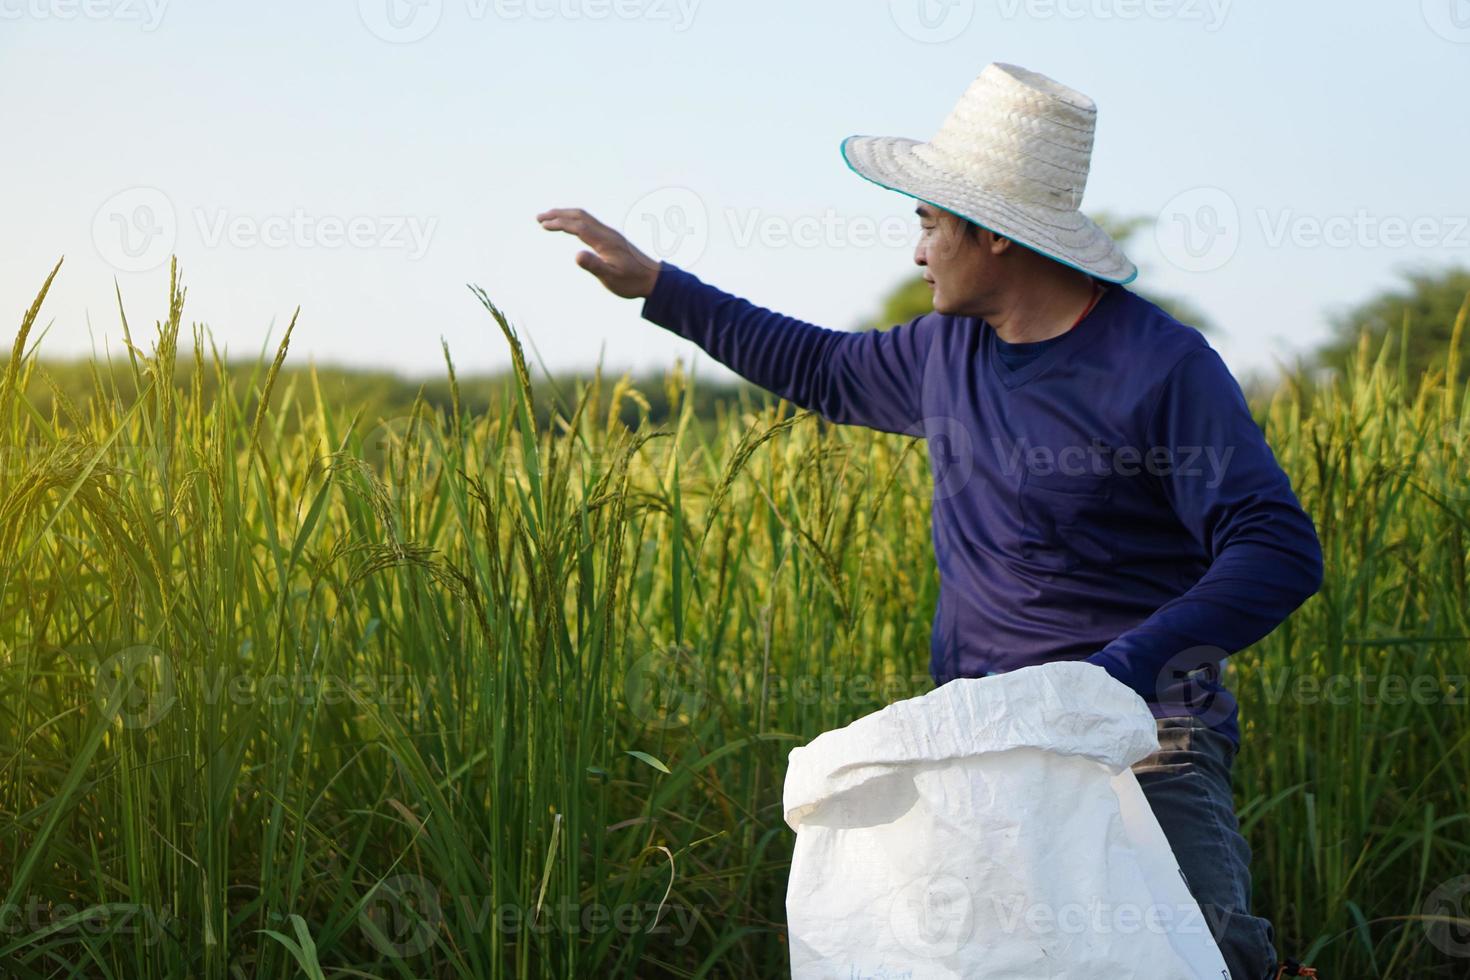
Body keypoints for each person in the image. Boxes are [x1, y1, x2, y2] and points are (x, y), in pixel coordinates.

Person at [538, 61, 1322, 980]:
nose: (916, 253)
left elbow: (1278, 547)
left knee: (1192, 955)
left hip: (1140, 739)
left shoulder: (1160, 369)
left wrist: (1117, 670)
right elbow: (820, 366)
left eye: (928, 224)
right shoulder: (944, 350)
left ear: (990, 235)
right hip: (980, 742)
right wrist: (659, 287)